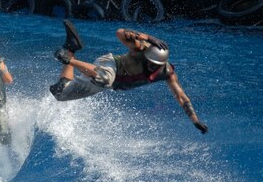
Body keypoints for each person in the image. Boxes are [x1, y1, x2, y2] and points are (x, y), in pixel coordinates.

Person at [49, 20, 208, 134]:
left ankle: (70, 50)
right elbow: (119, 32)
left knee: (60, 93)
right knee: (105, 79)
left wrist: (195, 120)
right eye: (150, 63)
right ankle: (70, 60)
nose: (153, 67)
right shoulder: (140, 48)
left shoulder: (166, 72)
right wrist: (148, 37)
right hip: (111, 65)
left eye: (156, 65)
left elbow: (181, 96)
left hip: (110, 82)